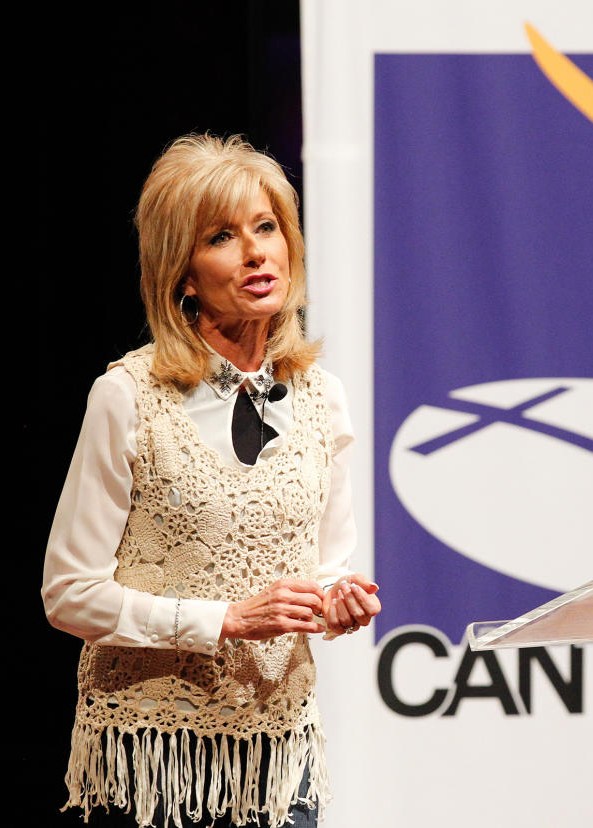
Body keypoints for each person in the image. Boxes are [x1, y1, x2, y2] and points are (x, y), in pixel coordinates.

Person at [42, 134, 381, 828]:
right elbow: (69, 594)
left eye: (267, 228)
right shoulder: (129, 397)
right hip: (154, 764)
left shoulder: (324, 396)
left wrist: (339, 600)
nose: (258, 252)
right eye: (223, 236)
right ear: (183, 274)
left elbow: (325, 570)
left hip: (279, 765)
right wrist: (222, 620)